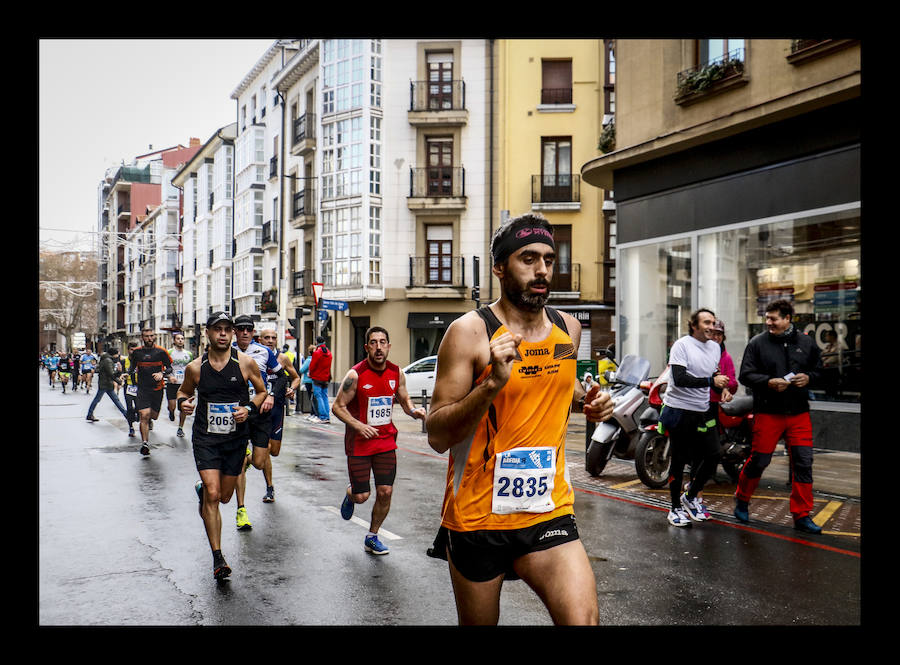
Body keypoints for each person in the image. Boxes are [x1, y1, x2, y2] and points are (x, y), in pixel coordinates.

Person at [424, 213, 614, 625]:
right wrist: (491, 383)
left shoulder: (569, 330)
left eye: (548, 258)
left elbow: (559, 384)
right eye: (528, 259)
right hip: (477, 516)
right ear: (499, 267)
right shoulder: (469, 333)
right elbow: (437, 434)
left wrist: (588, 401)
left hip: (547, 509)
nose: (542, 269)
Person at [176, 311, 268, 581]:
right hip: (206, 439)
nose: (224, 333)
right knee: (214, 495)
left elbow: (262, 392)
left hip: (235, 439)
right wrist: (184, 402)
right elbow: (183, 391)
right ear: (208, 333)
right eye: (218, 329)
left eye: (228, 329)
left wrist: (249, 408)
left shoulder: (246, 364)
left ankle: (202, 490)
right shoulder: (196, 368)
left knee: (226, 497)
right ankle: (218, 558)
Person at [332, 326, 427, 555]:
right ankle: (350, 494)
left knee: (385, 491)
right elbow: (337, 407)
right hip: (360, 443)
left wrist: (415, 411)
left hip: (385, 442)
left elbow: (405, 401)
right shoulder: (355, 375)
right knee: (362, 496)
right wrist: (359, 426)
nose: (378, 347)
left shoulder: (397, 373)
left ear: (389, 346)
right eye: (373, 343)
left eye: (382, 342)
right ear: (366, 347)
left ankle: (372, 536)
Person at [735, 299, 824, 534]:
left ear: (787, 319)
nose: (768, 323)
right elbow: (745, 375)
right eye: (767, 318)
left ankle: (802, 515)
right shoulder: (756, 343)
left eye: (773, 319)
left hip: (799, 413)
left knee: (804, 462)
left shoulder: (806, 342)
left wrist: (810, 378)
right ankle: (742, 499)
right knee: (760, 460)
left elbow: (820, 370)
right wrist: (768, 382)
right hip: (768, 412)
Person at [660, 309, 733, 528]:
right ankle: (674, 508)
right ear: (694, 325)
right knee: (680, 460)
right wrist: (712, 383)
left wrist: (722, 390)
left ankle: (690, 497)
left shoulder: (715, 347)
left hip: (703, 411)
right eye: (707, 322)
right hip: (679, 410)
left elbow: (712, 375)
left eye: (713, 322)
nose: (712, 326)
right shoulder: (682, 345)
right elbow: (680, 379)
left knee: (713, 455)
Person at [231, 315, 285, 529]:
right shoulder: (228, 351)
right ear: (235, 331)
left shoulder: (264, 352)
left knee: (259, 462)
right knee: (238, 464)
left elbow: (281, 377)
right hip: (237, 413)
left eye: (249, 329)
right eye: (241, 328)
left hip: (260, 412)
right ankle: (241, 510)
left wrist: (270, 395)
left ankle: (246, 456)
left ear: (253, 332)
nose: (245, 332)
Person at [258, 324, 301, 503]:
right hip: (260, 409)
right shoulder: (254, 357)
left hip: (277, 409)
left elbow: (296, 377)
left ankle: (258, 460)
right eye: (266, 338)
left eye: (273, 338)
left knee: (274, 451)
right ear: (260, 340)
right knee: (265, 449)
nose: (270, 341)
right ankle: (269, 487)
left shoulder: (282, 358)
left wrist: (291, 389)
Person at [129, 327, 173, 456]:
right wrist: (126, 374)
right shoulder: (136, 352)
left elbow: (170, 368)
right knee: (144, 415)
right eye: (146, 336)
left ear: (154, 336)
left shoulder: (161, 352)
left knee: (153, 416)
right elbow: (132, 367)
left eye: (151, 336)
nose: (149, 338)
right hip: (142, 389)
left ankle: (150, 421)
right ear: (142, 338)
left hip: (157, 389)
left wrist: (162, 373)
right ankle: (145, 443)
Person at [85, 348, 130, 426]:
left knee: (114, 400)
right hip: (105, 383)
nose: (118, 356)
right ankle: (126, 414)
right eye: (117, 354)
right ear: (114, 354)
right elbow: (111, 374)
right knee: (104, 399)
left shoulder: (106, 359)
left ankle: (126, 414)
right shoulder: (108, 361)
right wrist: (119, 373)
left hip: (106, 383)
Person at [166, 332, 194, 437]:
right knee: (172, 406)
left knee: (183, 407)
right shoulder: (169, 353)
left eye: (182, 338)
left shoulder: (188, 354)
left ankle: (180, 428)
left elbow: (191, 368)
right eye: (178, 339)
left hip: (184, 385)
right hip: (172, 384)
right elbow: (164, 367)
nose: (180, 340)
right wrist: (169, 377)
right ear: (174, 340)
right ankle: (171, 412)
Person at [308, 336, 333, 424]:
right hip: (326, 378)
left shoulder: (317, 353)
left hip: (317, 378)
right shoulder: (329, 353)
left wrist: (310, 374)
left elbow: (312, 366)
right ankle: (327, 416)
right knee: (324, 396)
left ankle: (322, 417)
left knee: (319, 397)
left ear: (316, 342)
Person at [120, 341, 140, 437]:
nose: (133, 352)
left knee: (139, 407)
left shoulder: (141, 361)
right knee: (129, 408)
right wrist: (120, 376)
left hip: (139, 387)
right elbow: (119, 374)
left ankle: (143, 418)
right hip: (128, 387)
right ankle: (131, 427)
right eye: (132, 350)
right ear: (128, 350)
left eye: (135, 350)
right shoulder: (124, 362)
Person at [299, 344, 318, 422]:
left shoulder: (309, 360)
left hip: (308, 381)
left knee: (311, 398)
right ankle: (313, 413)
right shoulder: (316, 359)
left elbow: (302, 370)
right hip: (315, 380)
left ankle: (313, 413)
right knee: (314, 398)